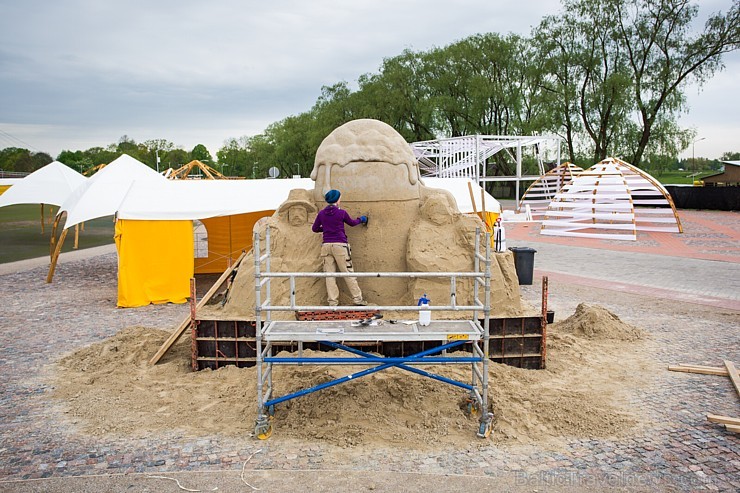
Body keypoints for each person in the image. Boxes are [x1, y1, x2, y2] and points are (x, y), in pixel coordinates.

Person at [311, 189, 368, 306]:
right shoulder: (341, 213)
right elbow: (352, 223)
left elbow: (315, 228)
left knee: (330, 275)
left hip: (326, 246)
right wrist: (361, 219)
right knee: (347, 273)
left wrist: (327, 228)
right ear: (337, 199)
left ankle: (333, 302)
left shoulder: (321, 213)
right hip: (340, 245)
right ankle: (358, 299)